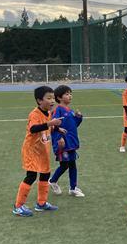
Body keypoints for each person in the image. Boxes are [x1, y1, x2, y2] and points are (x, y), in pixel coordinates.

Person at [13, 86, 61, 216]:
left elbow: (47, 128)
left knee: (45, 174)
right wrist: (50, 124)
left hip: (43, 150)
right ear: (39, 100)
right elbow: (33, 129)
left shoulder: (48, 113)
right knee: (31, 176)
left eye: (53, 98)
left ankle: (41, 203)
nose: (52, 101)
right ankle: (18, 206)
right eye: (49, 98)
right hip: (32, 151)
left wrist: (57, 129)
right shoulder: (34, 114)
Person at [48, 85, 84, 197]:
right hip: (63, 143)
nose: (70, 96)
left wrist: (78, 117)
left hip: (71, 142)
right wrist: (59, 138)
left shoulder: (70, 111)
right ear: (59, 97)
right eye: (67, 94)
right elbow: (53, 125)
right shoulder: (58, 110)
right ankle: (53, 181)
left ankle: (73, 188)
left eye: (70, 94)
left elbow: (73, 126)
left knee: (72, 164)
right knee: (65, 165)